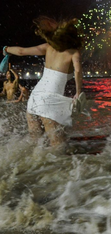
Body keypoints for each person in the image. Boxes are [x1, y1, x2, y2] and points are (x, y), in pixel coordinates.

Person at [3, 16, 84, 148]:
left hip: (34, 100)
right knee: (59, 149)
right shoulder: (74, 53)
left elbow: (21, 51)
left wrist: (5, 50)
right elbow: (78, 71)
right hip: (50, 102)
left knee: (37, 146)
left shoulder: (48, 47)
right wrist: (78, 92)